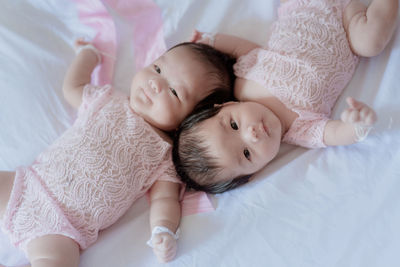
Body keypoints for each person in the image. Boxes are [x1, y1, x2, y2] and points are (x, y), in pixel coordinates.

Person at [0, 38, 235, 266]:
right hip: (25, 185)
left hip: (61, 230)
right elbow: (73, 87)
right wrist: (88, 56)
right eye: (157, 68)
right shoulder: (107, 99)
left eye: (174, 92)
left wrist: (164, 229)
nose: (156, 83)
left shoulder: (165, 156)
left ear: (188, 121)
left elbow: (165, 199)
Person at [173, 0, 398, 194]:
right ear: (255, 171)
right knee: (370, 42)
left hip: (300, 7)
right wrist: (355, 126)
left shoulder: (244, 85)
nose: (251, 134)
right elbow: (335, 133)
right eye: (247, 153)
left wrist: (211, 40)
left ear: (226, 105)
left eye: (233, 125)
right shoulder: (300, 130)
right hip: (349, 25)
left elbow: (244, 49)